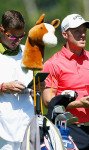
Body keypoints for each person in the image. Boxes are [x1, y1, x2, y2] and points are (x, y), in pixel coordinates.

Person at [42, 13, 89, 150]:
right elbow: (48, 101)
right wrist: (78, 104)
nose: (82, 34)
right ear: (65, 34)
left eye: (84, 30)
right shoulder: (53, 64)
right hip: (69, 131)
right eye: (77, 31)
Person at [0, 10, 34, 150]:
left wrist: (39, 84)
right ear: (2, 30)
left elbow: (36, 85)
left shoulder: (28, 52)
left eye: (21, 36)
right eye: (13, 37)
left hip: (28, 122)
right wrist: (3, 87)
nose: (17, 41)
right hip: (3, 126)